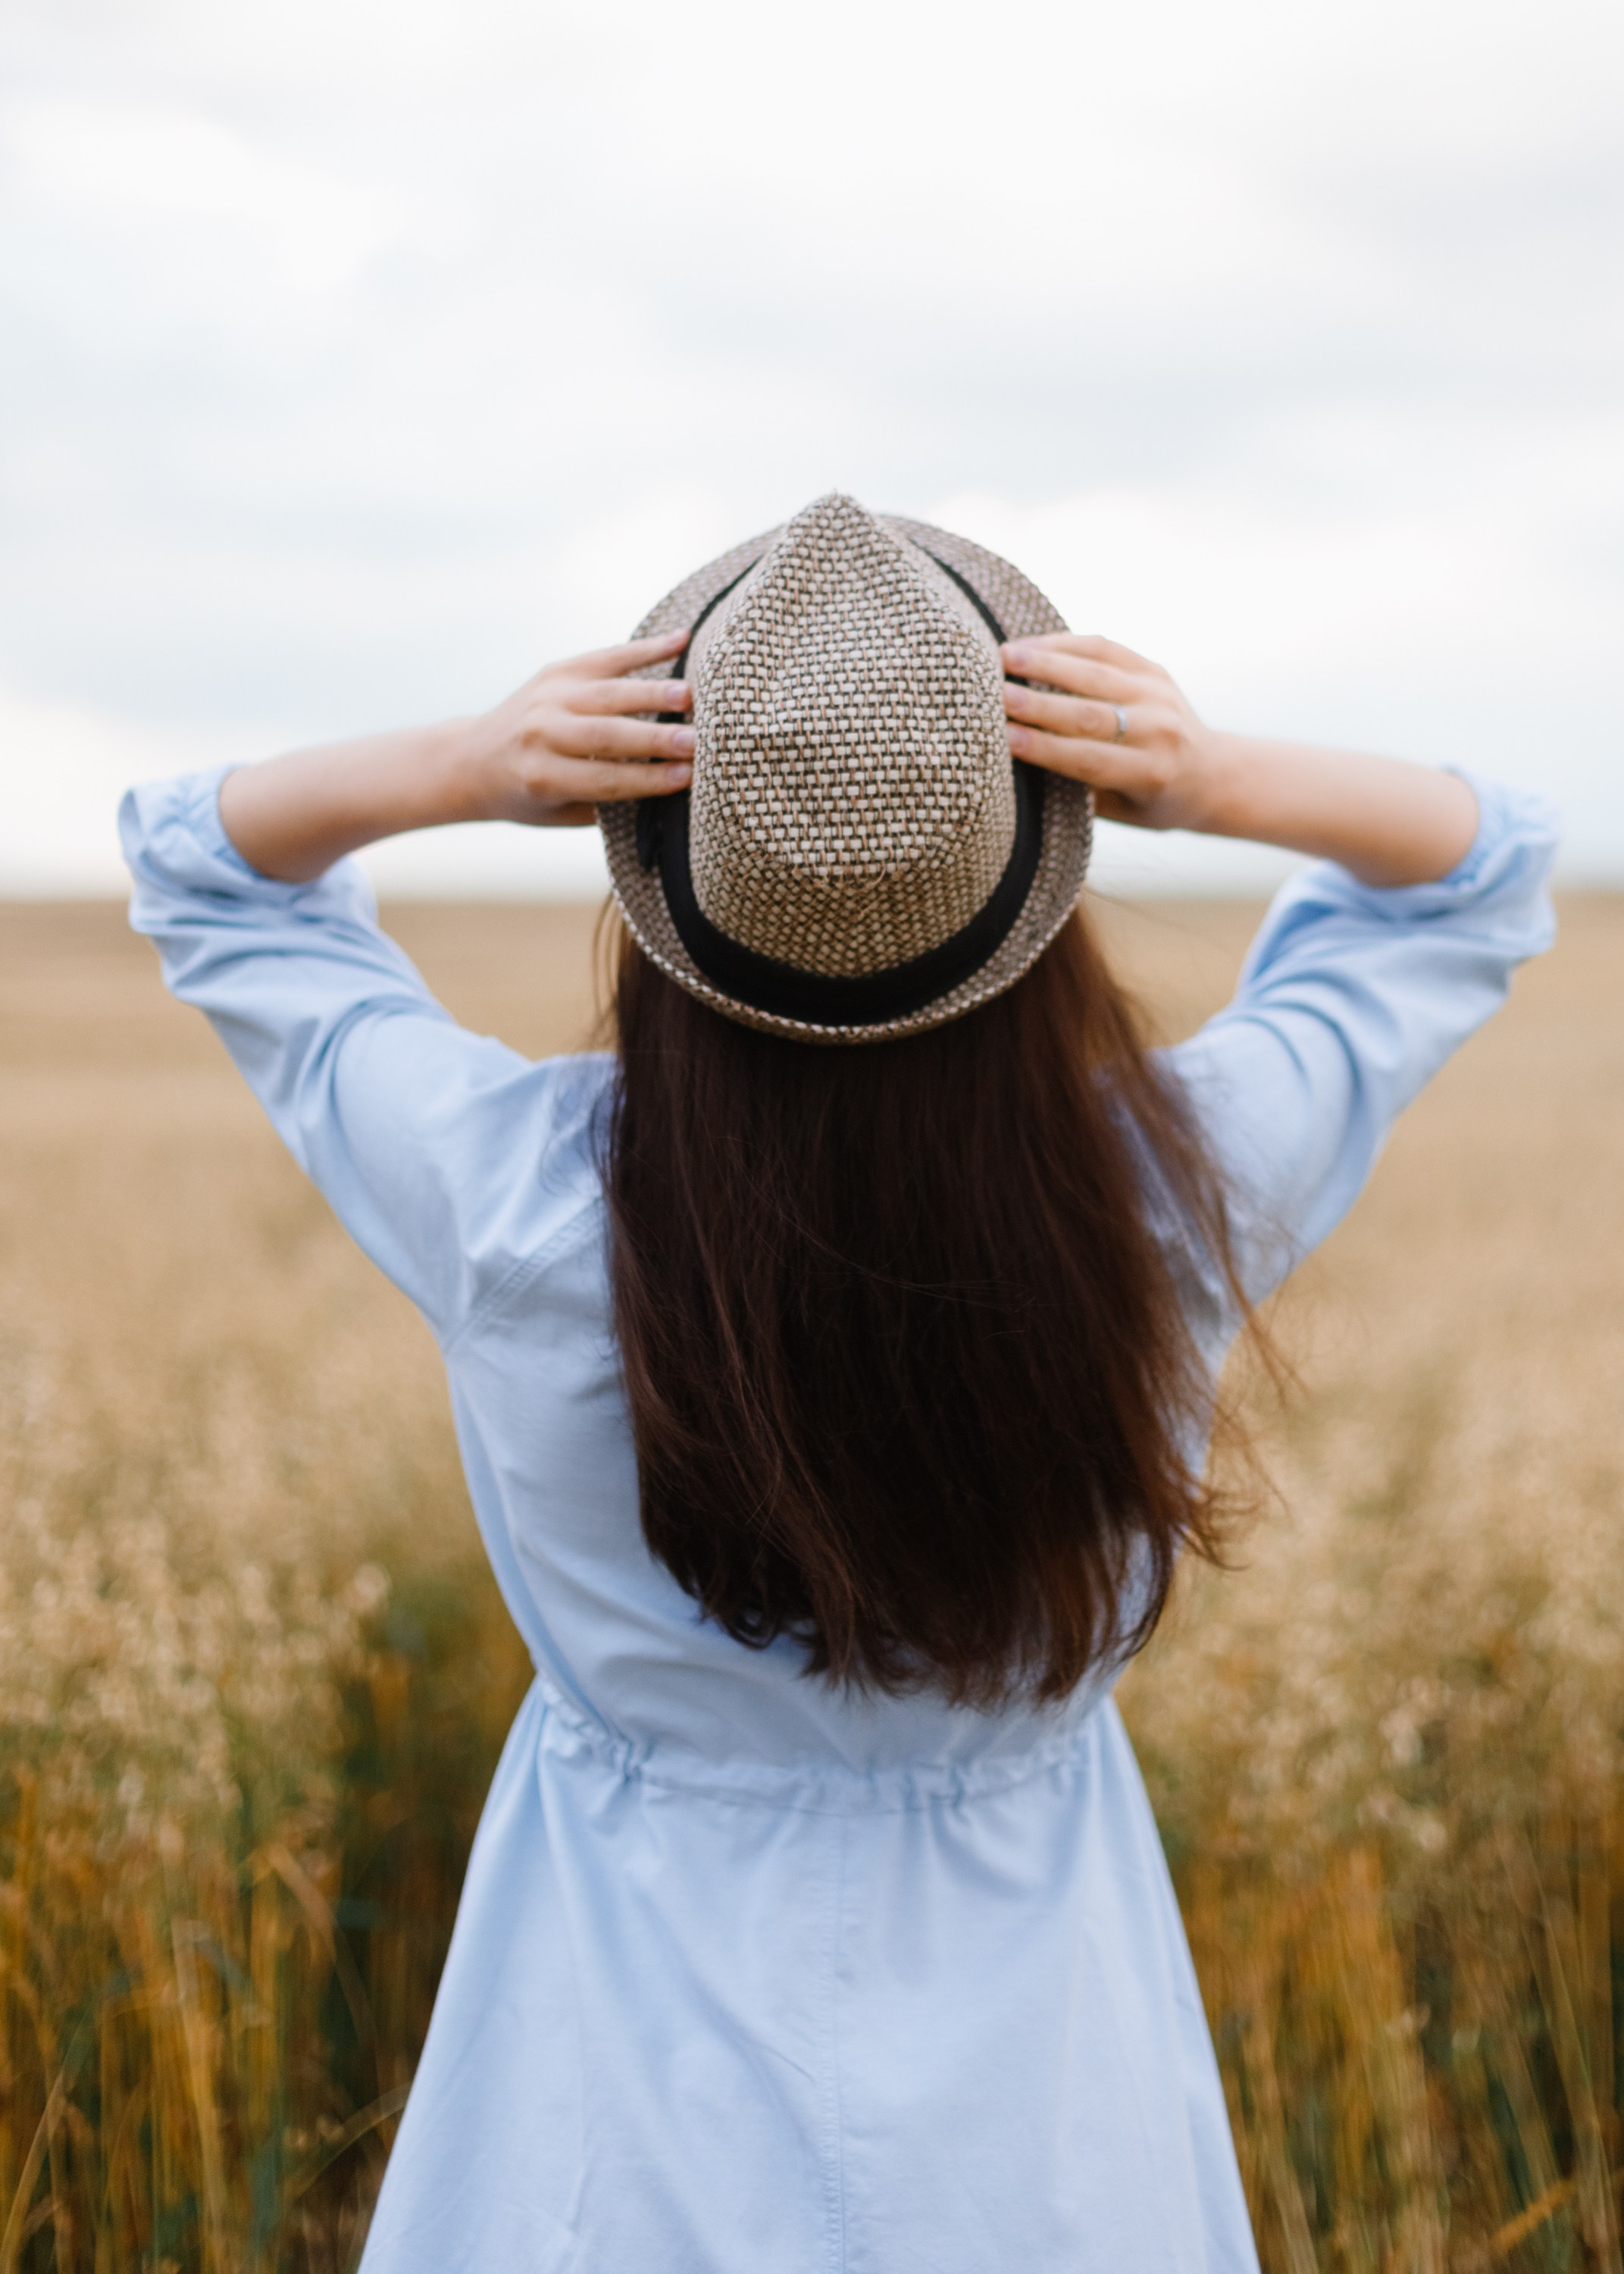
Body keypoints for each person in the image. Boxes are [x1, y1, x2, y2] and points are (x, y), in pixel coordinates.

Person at [121, 493, 1556, 2272]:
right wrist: (1207, 775)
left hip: (607, 2104)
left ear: (665, 880)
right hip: (1049, 2128)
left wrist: (469, 763)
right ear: (1041, 874)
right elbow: (1483, 867)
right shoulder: (1176, 1184)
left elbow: (196, 862)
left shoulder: (514, 1200)